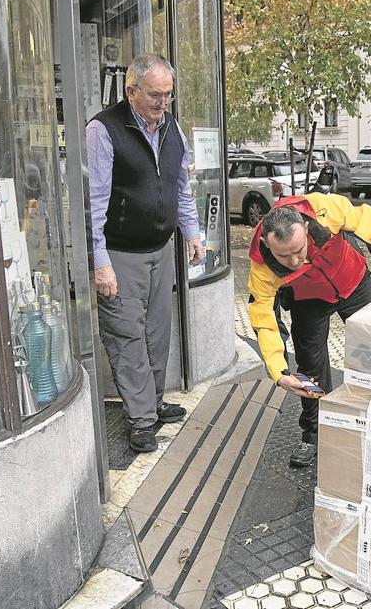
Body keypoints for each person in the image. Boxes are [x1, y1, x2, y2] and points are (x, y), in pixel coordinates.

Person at [247, 192, 371, 467]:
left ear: (306, 229)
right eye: (284, 256)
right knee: (310, 369)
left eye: (299, 250)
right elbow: (264, 322)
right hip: (309, 300)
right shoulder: (261, 268)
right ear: (266, 244)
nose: (294, 262)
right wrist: (278, 372)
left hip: (353, 281)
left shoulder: (325, 209)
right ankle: (313, 434)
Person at [87, 53, 205, 453]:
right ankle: (140, 419)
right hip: (121, 253)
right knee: (127, 336)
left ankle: (152, 403)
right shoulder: (104, 131)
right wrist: (99, 261)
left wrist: (192, 233)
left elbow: (180, 190)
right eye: (154, 95)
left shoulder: (173, 130)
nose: (162, 103)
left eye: (167, 96)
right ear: (131, 90)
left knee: (156, 333)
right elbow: (94, 202)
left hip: (160, 249)